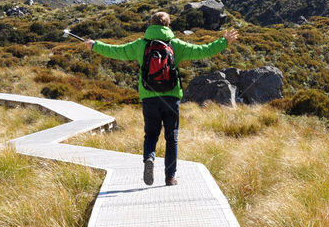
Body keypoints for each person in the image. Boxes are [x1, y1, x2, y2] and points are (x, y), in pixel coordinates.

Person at [85, 11, 238, 186]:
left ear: (151, 25)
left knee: (151, 135)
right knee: (171, 139)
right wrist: (224, 41)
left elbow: (116, 51)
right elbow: (203, 50)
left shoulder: (139, 45)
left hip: (149, 98)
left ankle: (149, 158)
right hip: (171, 98)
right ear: (168, 25)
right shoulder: (175, 45)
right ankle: (170, 177)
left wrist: (95, 45)